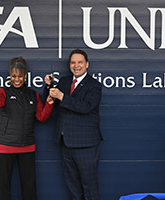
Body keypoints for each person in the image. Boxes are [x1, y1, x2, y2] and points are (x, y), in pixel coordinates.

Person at [0, 57, 54, 200]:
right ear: (10, 76)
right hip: (5, 146)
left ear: (25, 76)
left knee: (29, 187)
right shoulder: (3, 92)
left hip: (27, 147)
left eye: (20, 76)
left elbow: (41, 117)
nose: (17, 79)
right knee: (4, 186)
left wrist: (50, 103)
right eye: (14, 76)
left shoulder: (33, 95)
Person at [44, 49, 103, 200]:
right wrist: (48, 87)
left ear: (87, 64)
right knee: (73, 188)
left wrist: (62, 96)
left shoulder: (94, 85)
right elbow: (53, 102)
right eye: (73, 62)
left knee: (90, 188)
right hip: (66, 142)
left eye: (80, 62)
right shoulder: (63, 82)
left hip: (86, 145)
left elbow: (85, 107)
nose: (76, 66)